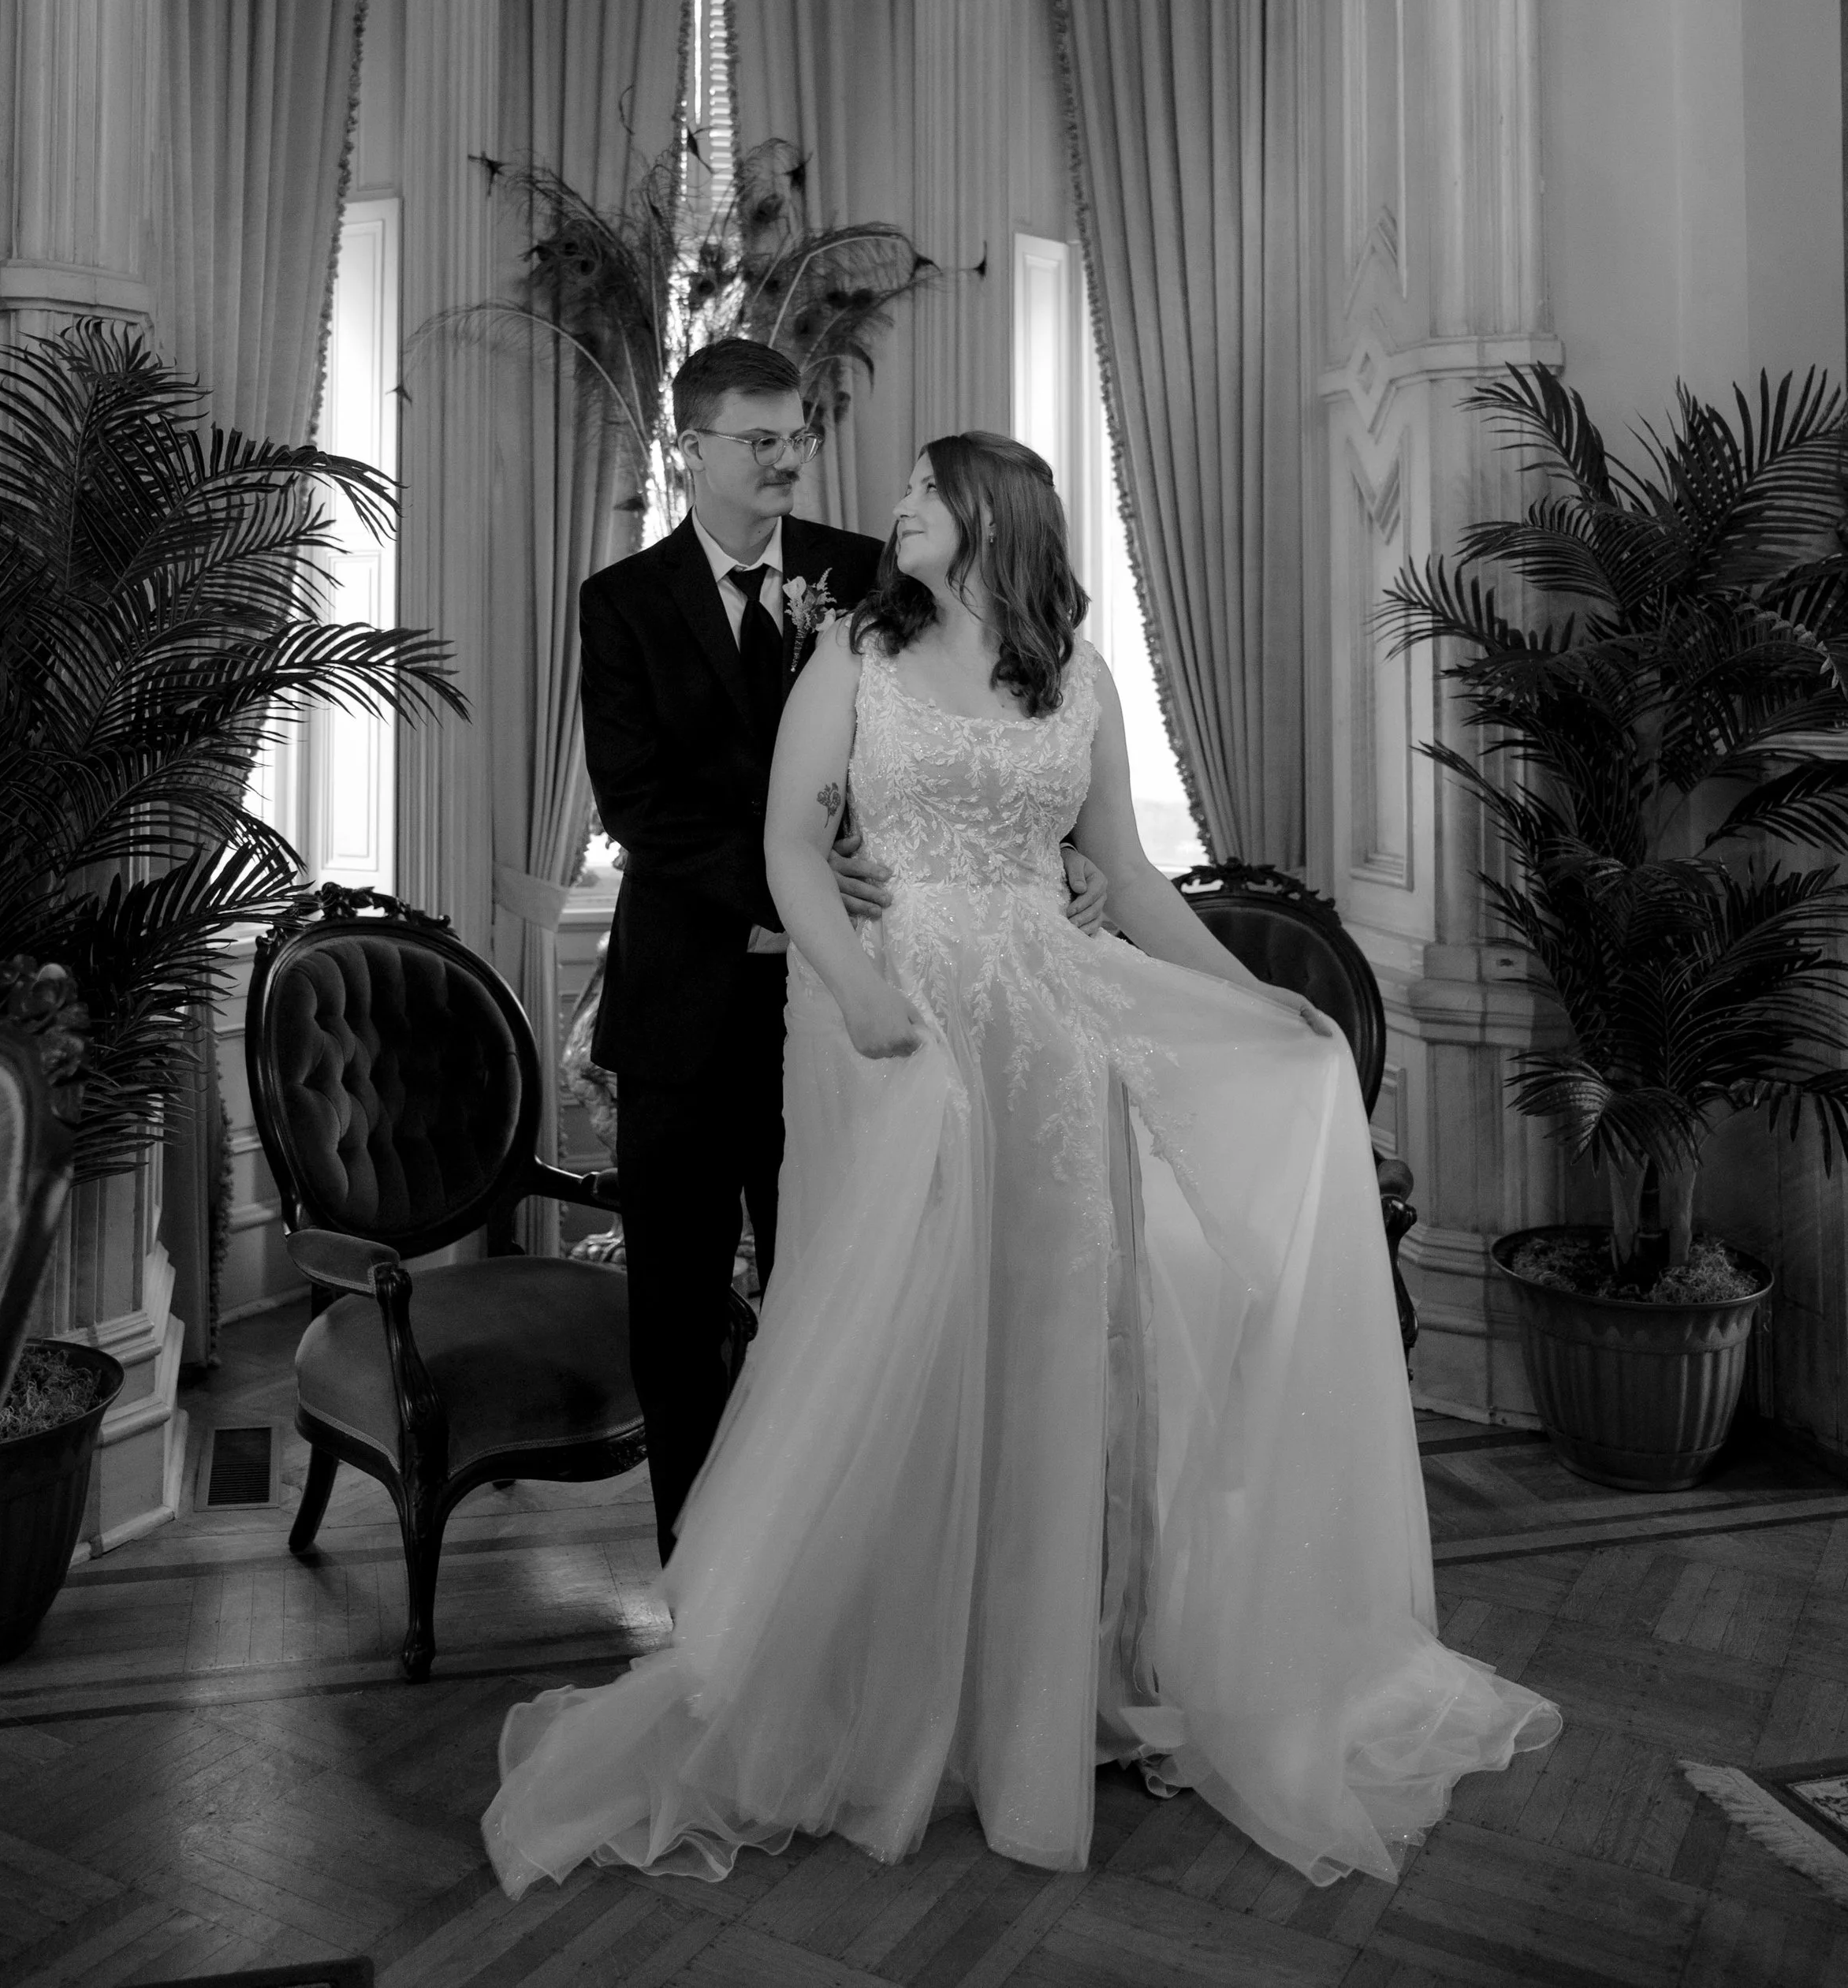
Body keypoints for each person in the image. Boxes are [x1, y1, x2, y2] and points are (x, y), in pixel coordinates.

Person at [492, 429, 1559, 1893]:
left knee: (1056, 1359)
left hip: (1052, 1049)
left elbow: (1121, 873)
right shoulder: (856, 654)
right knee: (898, 1343)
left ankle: (1041, 1700)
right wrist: (861, 989)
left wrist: (1256, 998)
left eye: (926, 492)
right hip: (901, 1038)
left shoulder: (1085, 679)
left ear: (995, 517)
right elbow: (793, 849)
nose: (898, 509)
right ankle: (876, 1693)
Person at [576, 347, 1103, 1559]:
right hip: (690, 998)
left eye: (796, 436)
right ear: (690, 450)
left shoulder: (862, 569)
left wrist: (1059, 848)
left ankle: (836, 1584)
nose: (785, 458)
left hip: (867, 992)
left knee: (844, 1304)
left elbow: (982, 714)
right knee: (677, 1310)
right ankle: (703, 1584)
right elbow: (638, 805)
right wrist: (789, 869)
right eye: (758, 439)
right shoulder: (621, 603)